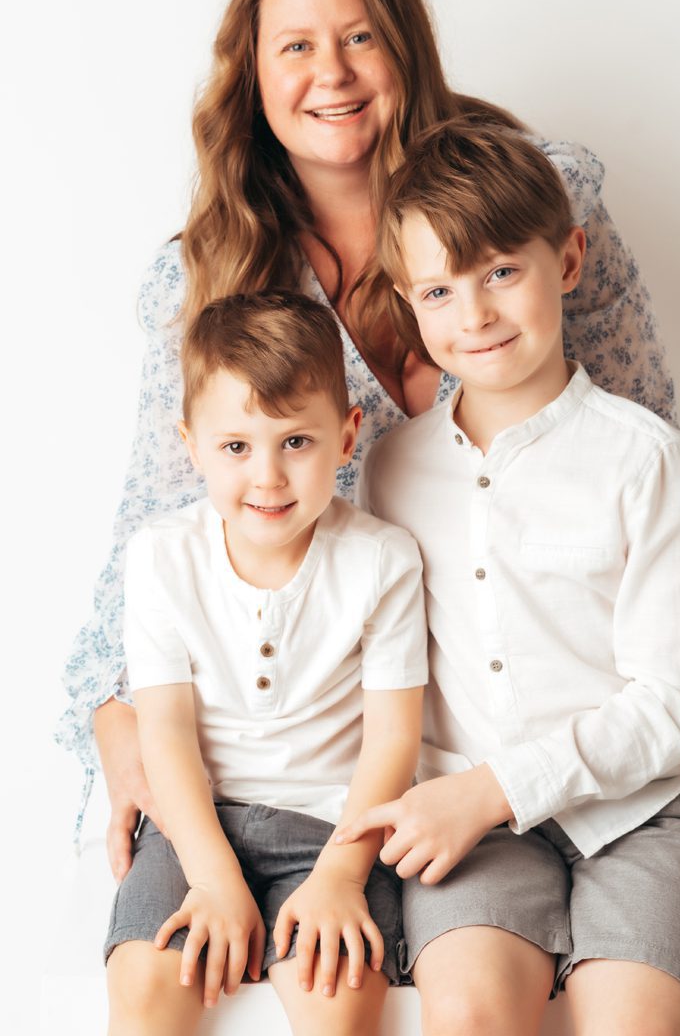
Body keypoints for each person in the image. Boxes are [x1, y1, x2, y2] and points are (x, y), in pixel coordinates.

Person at [57, 0, 680, 883]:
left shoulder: (530, 204)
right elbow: (158, 504)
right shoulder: (210, 276)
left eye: (359, 37)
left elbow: (645, 430)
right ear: (252, 75)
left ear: (405, 46)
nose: (334, 73)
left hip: (568, 728)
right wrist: (113, 704)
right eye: (297, 46)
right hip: (345, 747)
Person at [342, 118, 680, 1034]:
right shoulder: (393, 468)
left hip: (643, 814)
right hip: (472, 829)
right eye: (439, 289)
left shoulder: (644, 459)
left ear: (567, 260)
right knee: (471, 1018)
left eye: (500, 273)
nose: (474, 314)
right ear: (409, 302)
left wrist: (489, 790)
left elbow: (678, 702)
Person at [105, 289, 427, 1034]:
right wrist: (215, 878)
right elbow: (166, 736)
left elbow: (392, 741)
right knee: (147, 984)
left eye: (296, 442)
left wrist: (342, 875)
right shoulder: (160, 558)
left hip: (333, 831)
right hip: (196, 824)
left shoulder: (382, 561)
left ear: (347, 438)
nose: (268, 477)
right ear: (191, 446)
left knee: (338, 1000)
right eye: (236, 447)